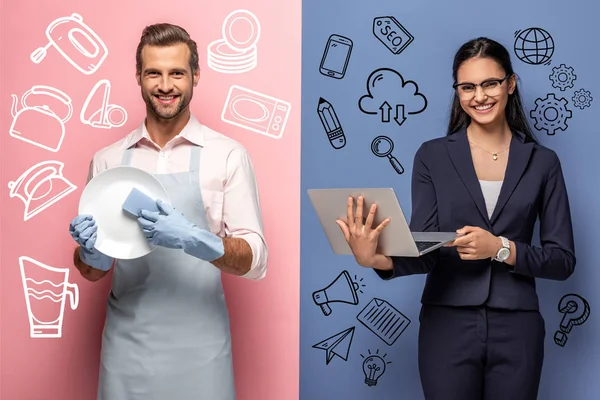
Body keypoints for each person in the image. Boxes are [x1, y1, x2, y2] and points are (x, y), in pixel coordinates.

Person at [336, 37, 575, 400]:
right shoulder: (432, 156)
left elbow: (562, 260)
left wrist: (501, 248)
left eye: (490, 83)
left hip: (519, 325)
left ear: (510, 84)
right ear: (458, 92)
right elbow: (427, 248)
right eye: (468, 87)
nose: (479, 96)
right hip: (446, 322)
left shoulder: (543, 162)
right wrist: (377, 259)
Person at [68, 23, 268, 400]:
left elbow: (256, 260)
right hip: (127, 349)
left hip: (202, 349)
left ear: (195, 75)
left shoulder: (227, 155)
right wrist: (90, 253)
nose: (165, 85)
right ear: (139, 78)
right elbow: (94, 271)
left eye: (176, 72)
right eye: (153, 73)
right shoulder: (108, 161)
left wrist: (197, 240)